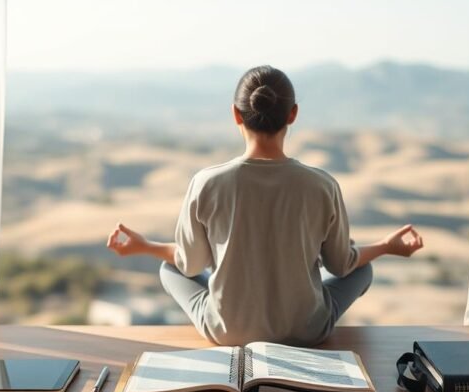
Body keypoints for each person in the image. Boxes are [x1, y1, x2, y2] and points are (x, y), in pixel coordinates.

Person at [106, 65, 423, 346]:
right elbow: (341, 266)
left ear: (235, 114)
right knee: (362, 269)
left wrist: (145, 246)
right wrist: (385, 246)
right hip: (308, 331)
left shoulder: (206, 183)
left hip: (227, 331)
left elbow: (189, 265)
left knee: (169, 267)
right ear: (293, 114)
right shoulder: (323, 185)